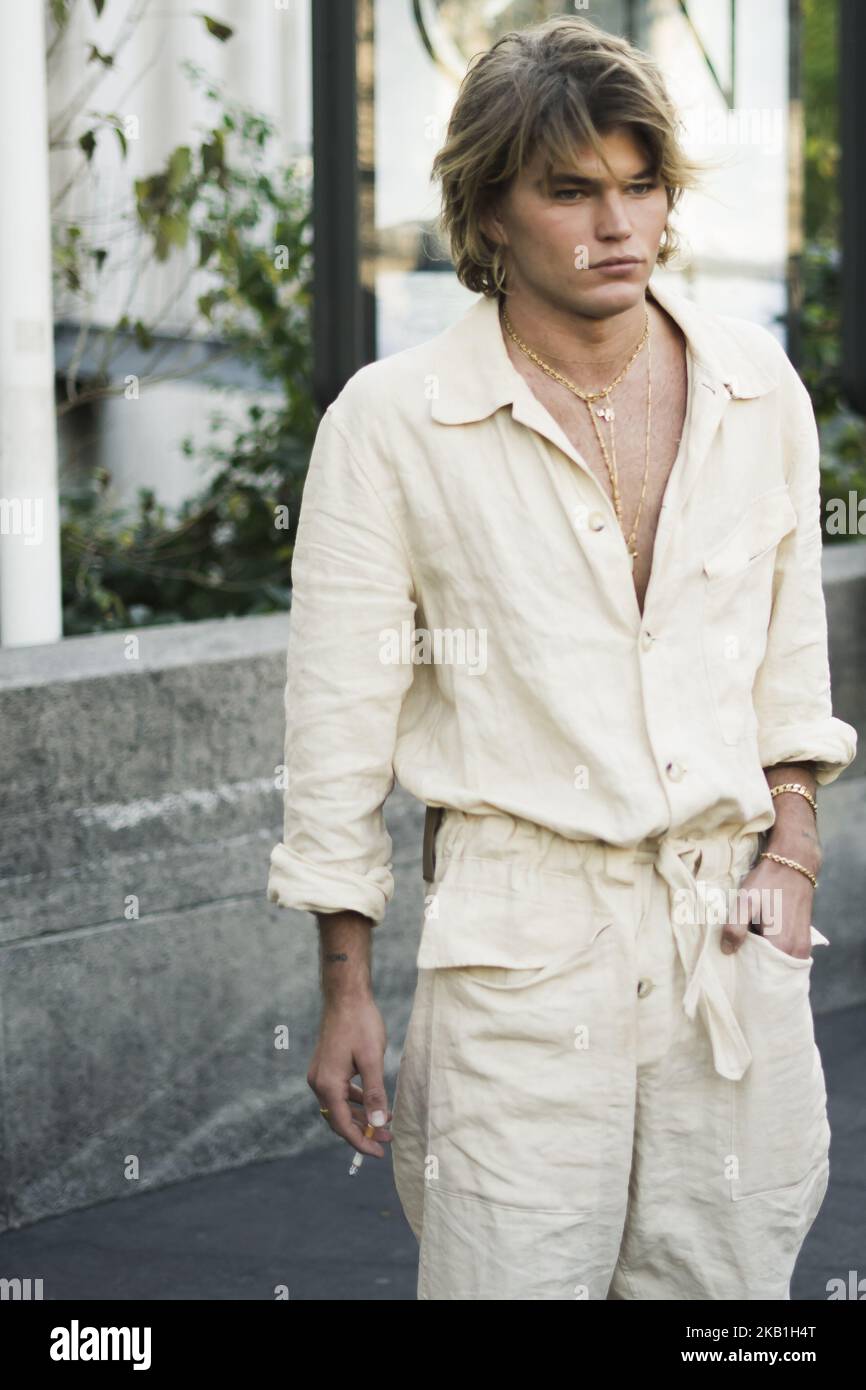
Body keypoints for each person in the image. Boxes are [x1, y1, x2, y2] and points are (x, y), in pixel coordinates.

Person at [266, 14, 857, 1299]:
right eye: (570, 190)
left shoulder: (758, 391)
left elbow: (788, 672)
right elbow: (337, 731)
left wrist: (792, 853)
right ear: (487, 212)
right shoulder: (391, 425)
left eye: (639, 185)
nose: (617, 225)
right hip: (518, 954)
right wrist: (344, 986)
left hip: (725, 948)